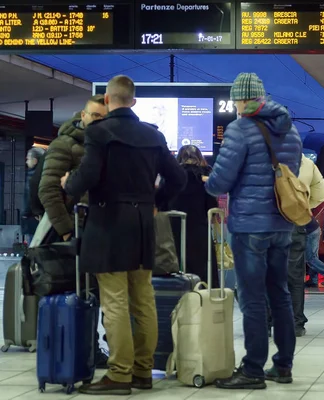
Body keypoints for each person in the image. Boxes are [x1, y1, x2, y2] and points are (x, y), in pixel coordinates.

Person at [62, 75, 187, 395]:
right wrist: (156, 203)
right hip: (144, 222)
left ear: (107, 100)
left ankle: (119, 374)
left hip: (109, 223)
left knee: (115, 301)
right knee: (143, 300)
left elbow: (88, 174)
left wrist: (68, 185)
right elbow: (178, 178)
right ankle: (143, 371)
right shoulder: (152, 135)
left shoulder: (99, 133)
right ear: (132, 101)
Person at [204, 72, 302, 390]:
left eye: (236, 100)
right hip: (282, 224)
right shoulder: (292, 132)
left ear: (244, 100)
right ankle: (283, 366)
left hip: (250, 226)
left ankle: (253, 370)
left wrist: (213, 183)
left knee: (253, 300)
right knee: (281, 296)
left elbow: (219, 182)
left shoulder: (240, 129)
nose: (234, 106)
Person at [38, 94, 109, 369]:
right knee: (82, 292)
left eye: (103, 117)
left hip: (99, 229)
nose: (98, 121)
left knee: (98, 294)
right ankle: (82, 350)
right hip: (76, 232)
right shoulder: (64, 145)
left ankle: (92, 349)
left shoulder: (105, 145)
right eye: (94, 116)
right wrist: (67, 232)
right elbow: (48, 190)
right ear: (83, 116)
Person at [158, 145, 218, 287]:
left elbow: (161, 203)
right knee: (203, 268)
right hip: (199, 229)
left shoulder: (172, 176)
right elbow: (212, 206)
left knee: (176, 265)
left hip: (174, 229)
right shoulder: (206, 177)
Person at [287, 154, 324, 337]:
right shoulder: (306, 163)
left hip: (267, 224)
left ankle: (268, 319)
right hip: (296, 222)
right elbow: (321, 195)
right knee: (295, 275)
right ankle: (296, 324)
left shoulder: (262, 157)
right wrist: (303, 207)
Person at [22, 147, 45, 244]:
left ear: (35, 161)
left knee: (32, 245)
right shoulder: (44, 173)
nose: (26, 162)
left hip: (32, 217)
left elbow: (29, 197)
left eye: (28, 159)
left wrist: (25, 214)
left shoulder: (32, 176)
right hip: (41, 216)